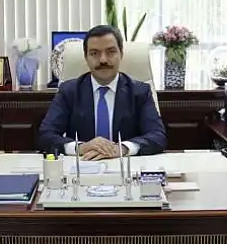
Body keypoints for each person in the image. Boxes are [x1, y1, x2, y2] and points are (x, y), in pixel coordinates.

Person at [38, 25, 167, 160]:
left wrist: (121, 148)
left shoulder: (140, 92)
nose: (103, 60)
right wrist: (81, 147)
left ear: (121, 54)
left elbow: (157, 136)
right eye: (94, 53)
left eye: (111, 52)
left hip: (125, 165)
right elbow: (46, 135)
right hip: (84, 165)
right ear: (86, 58)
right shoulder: (69, 91)